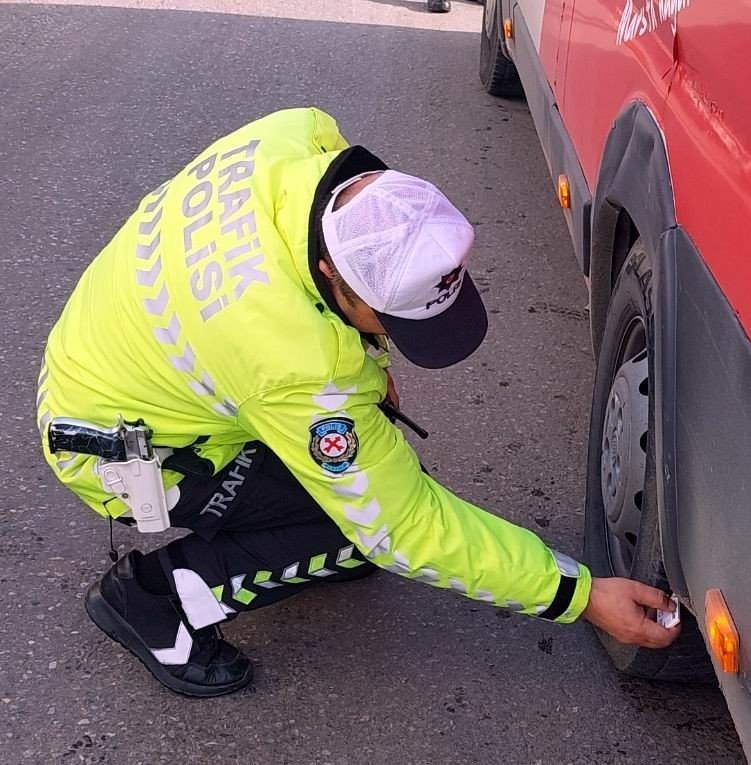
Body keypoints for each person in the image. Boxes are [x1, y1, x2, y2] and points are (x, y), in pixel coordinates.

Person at [37, 108, 679, 698]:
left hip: (117, 357)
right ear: (328, 276)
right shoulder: (292, 360)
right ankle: (155, 600)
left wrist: (369, 364)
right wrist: (581, 594)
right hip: (114, 447)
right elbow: (403, 530)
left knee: (361, 480)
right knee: (350, 531)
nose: (391, 340)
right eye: (388, 322)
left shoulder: (299, 135)